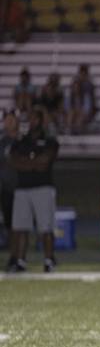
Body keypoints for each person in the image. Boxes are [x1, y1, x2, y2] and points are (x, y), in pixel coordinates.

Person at [7, 107, 59, 272]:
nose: (31, 122)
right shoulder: (22, 140)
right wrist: (33, 164)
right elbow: (14, 161)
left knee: (46, 227)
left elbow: (45, 162)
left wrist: (27, 163)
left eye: (35, 119)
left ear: (41, 121)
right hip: (23, 189)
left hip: (43, 188)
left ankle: (49, 260)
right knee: (20, 227)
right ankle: (20, 260)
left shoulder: (49, 140)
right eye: (29, 119)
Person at [0, 110, 20, 258]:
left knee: (17, 221)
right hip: (4, 186)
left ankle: (16, 250)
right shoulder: (1, 141)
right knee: (7, 219)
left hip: (19, 186)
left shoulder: (22, 140)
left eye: (11, 120)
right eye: (6, 120)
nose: (9, 123)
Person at [67, 64, 97, 134]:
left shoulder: (86, 95)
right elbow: (68, 107)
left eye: (77, 87)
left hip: (82, 113)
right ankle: (70, 131)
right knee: (71, 114)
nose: (75, 89)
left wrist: (80, 111)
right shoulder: (70, 97)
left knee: (80, 115)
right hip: (74, 113)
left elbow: (87, 108)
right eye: (74, 87)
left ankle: (78, 131)